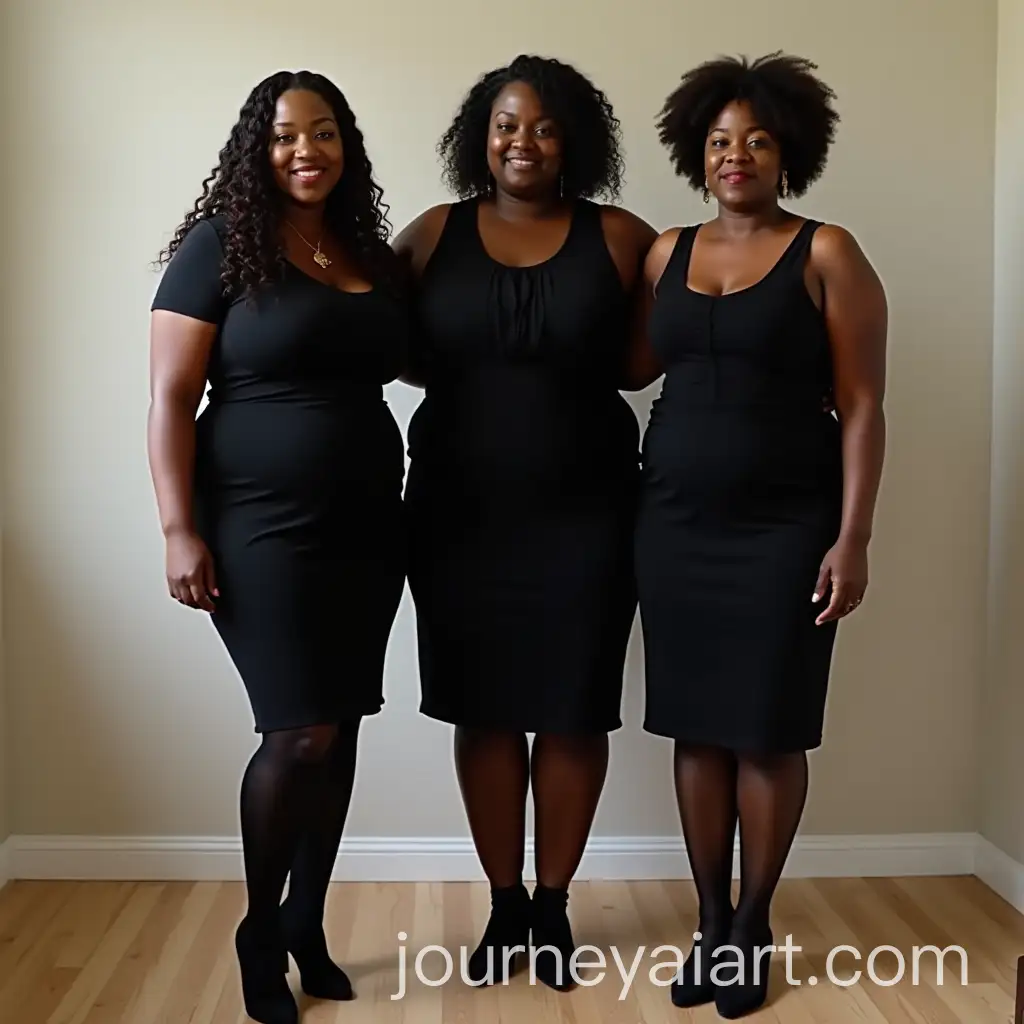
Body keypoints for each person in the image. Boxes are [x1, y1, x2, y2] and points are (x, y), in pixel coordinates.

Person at [628, 53, 887, 1017]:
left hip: (787, 528)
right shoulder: (664, 253)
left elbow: (863, 407)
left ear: (789, 155)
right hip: (672, 523)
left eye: (758, 141)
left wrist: (853, 537)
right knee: (695, 728)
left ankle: (752, 924)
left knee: (768, 732)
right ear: (696, 154)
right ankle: (709, 923)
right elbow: (627, 364)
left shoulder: (828, 253)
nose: (736, 156)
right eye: (719, 142)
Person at [147, 70, 409, 1024]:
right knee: (298, 731)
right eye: (287, 135)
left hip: (368, 522)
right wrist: (179, 529)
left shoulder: (368, 250)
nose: (308, 150)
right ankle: (261, 930)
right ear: (256, 149)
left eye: (325, 132)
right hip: (258, 523)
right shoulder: (219, 246)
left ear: (347, 146)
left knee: (339, 726)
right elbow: (170, 397)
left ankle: (307, 920)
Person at [394, 54, 657, 991]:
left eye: (545, 127)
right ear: (481, 136)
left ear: (573, 141)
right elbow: (386, 344)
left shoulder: (621, 237)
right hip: (458, 517)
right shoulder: (432, 234)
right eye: (507, 124)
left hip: (590, 514)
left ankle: (553, 906)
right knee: (485, 710)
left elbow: (650, 359)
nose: (524, 142)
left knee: (574, 710)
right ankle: (505, 906)